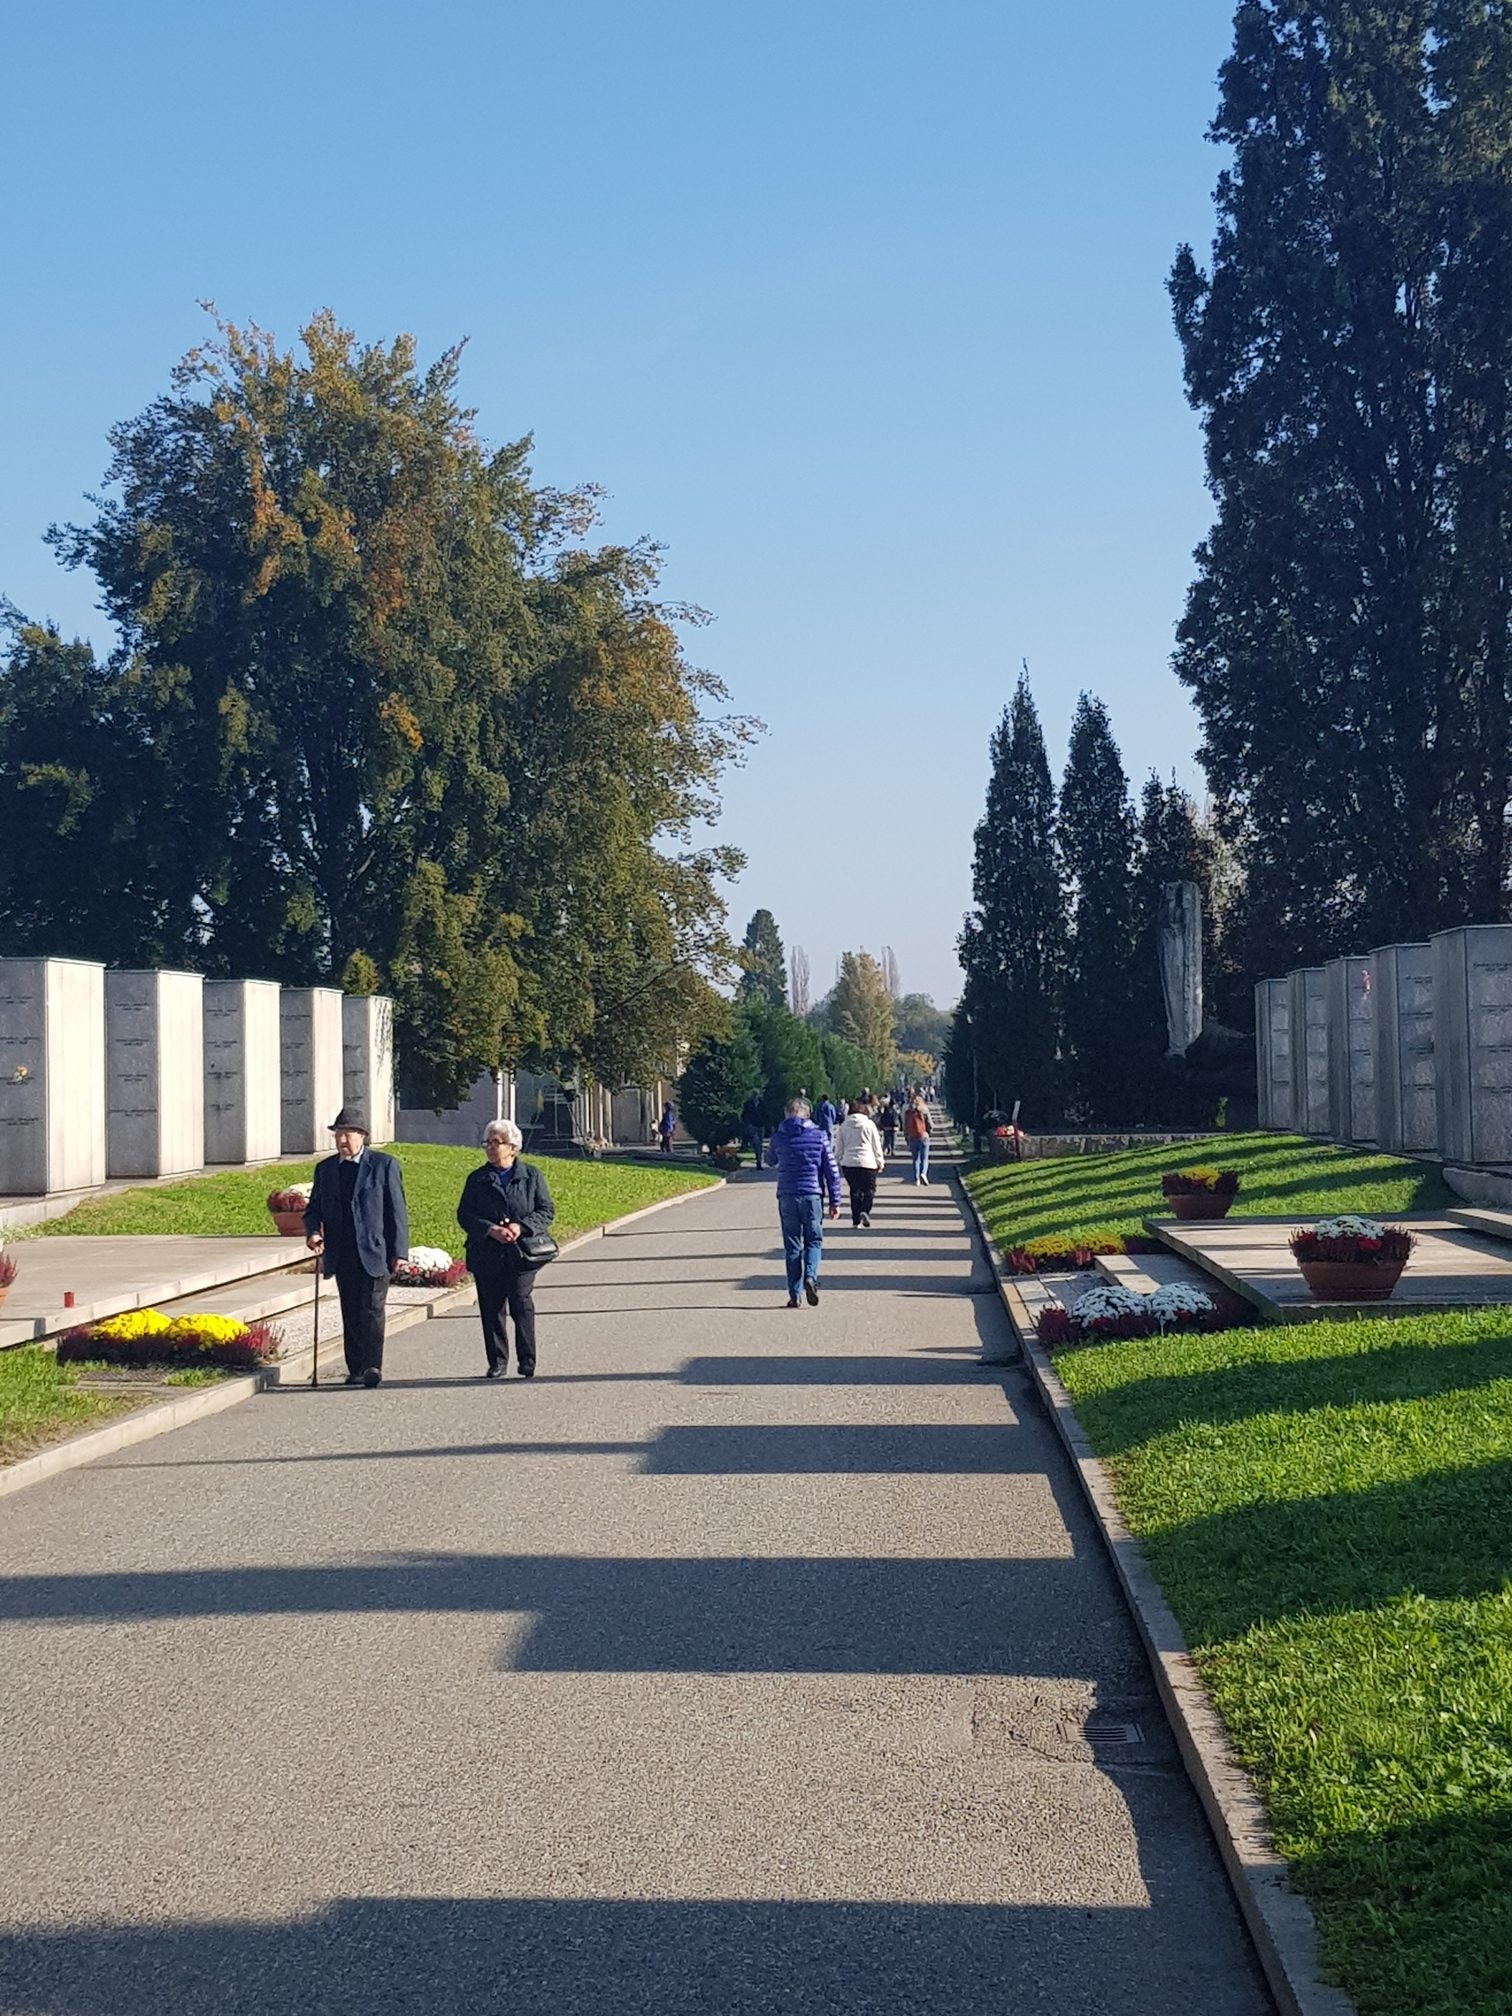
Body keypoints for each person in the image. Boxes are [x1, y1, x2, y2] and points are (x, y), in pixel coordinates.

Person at [304, 1107, 409, 1388]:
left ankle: (372, 1366)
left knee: (373, 1310)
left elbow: (396, 1212)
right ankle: (355, 1368)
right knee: (350, 1311)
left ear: (362, 1136)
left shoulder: (384, 1165)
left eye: (347, 1134)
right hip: (342, 1252)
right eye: (338, 1134)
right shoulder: (326, 1170)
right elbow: (314, 1210)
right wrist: (313, 1233)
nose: (342, 1140)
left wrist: (399, 1253)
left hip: (375, 1252)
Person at [457, 1118, 556, 1379]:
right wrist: (490, 1229)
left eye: (496, 1142)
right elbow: (465, 1215)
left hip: (521, 1253)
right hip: (487, 1253)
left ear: (513, 1147)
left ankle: (527, 1360)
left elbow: (546, 1210)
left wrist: (520, 1226)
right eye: (487, 1143)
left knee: (521, 1303)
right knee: (491, 1309)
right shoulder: (477, 1179)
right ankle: (497, 1362)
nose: (491, 1148)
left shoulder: (531, 1176)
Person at [765, 1097, 840, 1307]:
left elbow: (769, 1160)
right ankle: (810, 1276)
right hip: (812, 1195)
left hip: (787, 1195)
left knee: (792, 1246)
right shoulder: (819, 1136)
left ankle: (794, 1294)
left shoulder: (778, 1137)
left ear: (786, 1114)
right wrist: (835, 1201)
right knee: (813, 1241)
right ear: (807, 1114)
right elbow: (832, 1171)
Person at [834, 1098, 885, 1227]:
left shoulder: (844, 1126)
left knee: (854, 1191)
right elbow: (876, 1144)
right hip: (868, 1162)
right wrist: (880, 1161)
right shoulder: (869, 1124)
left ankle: (856, 1221)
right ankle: (865, 1210)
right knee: (869, 1190)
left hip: (849, 1163)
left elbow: (839, 1147)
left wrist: (836, 1160)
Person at [904, 1094, 932, 1185]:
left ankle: (916, 1179)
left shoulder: (908, 1112)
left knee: (915, 1159)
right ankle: (923, 1173)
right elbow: (930, 1124)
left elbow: (905, 1126)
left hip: (912, 1137)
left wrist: (906, 1137)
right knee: (925, 1158)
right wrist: (929, 1132)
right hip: (923, 1136)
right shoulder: (924, 1111)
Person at [740, 1089, 767, 1169]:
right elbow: (744, 1115)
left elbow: (766, 1114)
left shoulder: (762, 1104)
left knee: (760, 1144)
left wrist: (766, 1124)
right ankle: (758, 1161)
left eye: (756, 1094)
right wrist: (748, 1124)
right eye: (754, 1094)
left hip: (761, 1126)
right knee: (756, 1142)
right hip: (752, 1126)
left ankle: (759, 1160)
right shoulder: (748, 1104)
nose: (755, 1096)